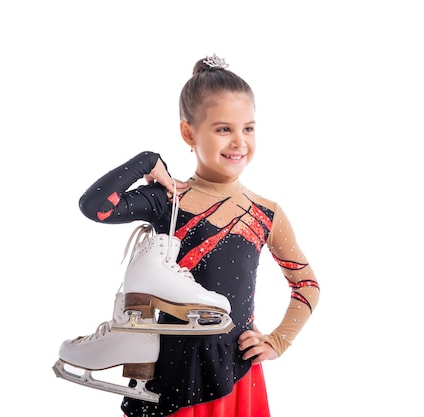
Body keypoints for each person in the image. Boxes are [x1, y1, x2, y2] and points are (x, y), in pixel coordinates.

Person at [77, 54, 320, 417]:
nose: (239, 141)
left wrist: (277, 341)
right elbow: (96, 206)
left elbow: (306, 284)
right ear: (189, 133)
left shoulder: (266, 212)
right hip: (170, 371)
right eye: (224, 129)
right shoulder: (169, 199)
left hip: (235, 371)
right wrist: (146, 161)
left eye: (248, 128)